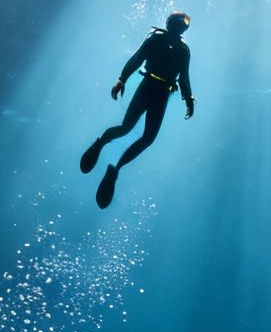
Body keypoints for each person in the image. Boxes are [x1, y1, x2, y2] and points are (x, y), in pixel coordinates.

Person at [80, 11, 196, 208]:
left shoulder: (183, 50)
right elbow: (137, 60)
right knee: (128, 129)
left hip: (159, 92)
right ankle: (100, 145)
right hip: (151, 88)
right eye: (180, 23)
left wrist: (188, 98)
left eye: (183, 24)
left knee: (145, 137)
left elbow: (183, 77)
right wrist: (121, 79)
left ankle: (114, 168)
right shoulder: (158, 41)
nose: (181, 27)